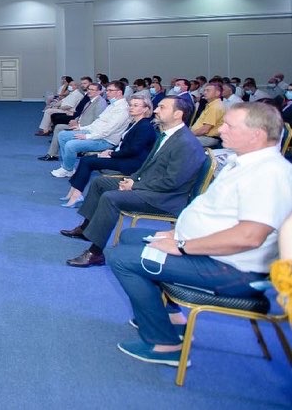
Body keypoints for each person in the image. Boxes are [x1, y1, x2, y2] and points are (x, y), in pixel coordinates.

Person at [108, 102, 292, 366]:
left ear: (257, 135)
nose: (221, 130)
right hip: (214, 254)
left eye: (229, 126)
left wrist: (182, 245)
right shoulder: (247, 162)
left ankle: (164, 344)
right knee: (130, 237)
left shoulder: (269, 174)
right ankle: (170, 315)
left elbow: (249, 236)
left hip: (233, 270)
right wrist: (177, 233)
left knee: (121, 258)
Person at [60, 96, 206, 268]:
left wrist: (135, 185)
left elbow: (173, 182)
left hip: (164, 198)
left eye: (162, 107)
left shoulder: (186, 143)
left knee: (110, 198)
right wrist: (132, 179)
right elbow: (146, 166)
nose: (156, 110)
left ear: (178, 114)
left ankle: (95, 253)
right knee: (100, 183)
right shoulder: (168, 135)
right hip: (150, 187)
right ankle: (86, 228)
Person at [59, 94, 156, 207]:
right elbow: (123, 144)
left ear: (145, 109)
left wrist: (111, 153)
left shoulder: (145, 126)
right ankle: (73, 192)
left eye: (136, 105)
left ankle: (76, 195)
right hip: (125, 157)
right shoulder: (135, 123)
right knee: (86, 160)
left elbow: (134, 150)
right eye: (130, 105)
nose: (131, 107)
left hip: (132, 163)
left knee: (87, 161)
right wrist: (110, 152)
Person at [52, 81, 131, 178]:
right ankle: (68, 167)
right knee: (62, 135)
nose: (107, 93)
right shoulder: (112, 105)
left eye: (110, 90)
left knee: (71, 145)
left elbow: (107, 131)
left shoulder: (122, 109)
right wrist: (81, 128)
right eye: (107, 90)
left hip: (106, 140)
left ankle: (67, 169)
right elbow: (97, 123)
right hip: (96, 133)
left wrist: (87, 136)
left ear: (119, 92)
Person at [191, 81, 225, 147]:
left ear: (217, 93)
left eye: (208, 91)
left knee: (181, 142)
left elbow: (205, 130)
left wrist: (189, 135)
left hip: (207, 138)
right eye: (204, 90)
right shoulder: (212, 105)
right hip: (201, 135)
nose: (205, 93)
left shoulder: (215, 107)